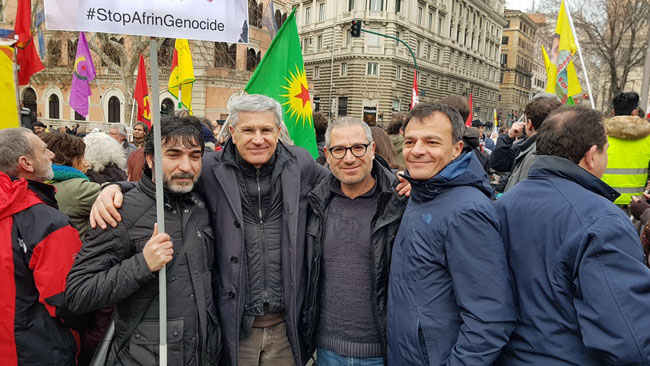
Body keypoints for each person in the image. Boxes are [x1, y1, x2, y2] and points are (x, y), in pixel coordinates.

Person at [494, 106, 650, 365]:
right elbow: (630, 339)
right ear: (591, 155)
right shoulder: (603, 221)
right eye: (606, 151)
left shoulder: (502, 205)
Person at [65, 116, 222, 365]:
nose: (186, 166)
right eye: (173, 155)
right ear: (150, 159)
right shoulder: (120, 212)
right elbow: (79, 293)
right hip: (145, 356)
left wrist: (118, 185)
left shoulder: (201, 205)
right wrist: (142, 265)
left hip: (203, 353)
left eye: (194, 156)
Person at [387, 103, 516, 365]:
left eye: (432, 142)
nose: (417, 150)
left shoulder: (466, 211)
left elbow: (490, 317)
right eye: (410, 141)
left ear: (457, 149)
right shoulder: (423, 192)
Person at [303, 118, 406, 365]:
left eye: (358, 148)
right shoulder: (313, 203)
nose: (349, 158)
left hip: (383, 350)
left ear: (372, 150)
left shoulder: (401, 201)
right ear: (327, 154)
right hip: (326, 351)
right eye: (339, 150)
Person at [0, 128, 84, 366]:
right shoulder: (48, 223)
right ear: (25, 163)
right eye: (44, 150)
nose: (52, 156)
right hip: (38, 350)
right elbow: (68, 300)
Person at [489, 94, 562, 192]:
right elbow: (498, 163)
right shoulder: (525, 146)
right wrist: (508, 138)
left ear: (529, 124)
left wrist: (507, 138)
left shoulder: (534, 153)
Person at [39, 132, 100, 239]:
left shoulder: (34, 181)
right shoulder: (75, 189)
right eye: (81, 158)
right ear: (65, 159)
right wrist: (117, 186)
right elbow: (130, 197)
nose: (87, 164)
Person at [601, 91, 650, 207]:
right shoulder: (648, 137)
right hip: (636, 204)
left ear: (613, 112)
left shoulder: (600, 134)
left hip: (603, 200)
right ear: (635, 112)